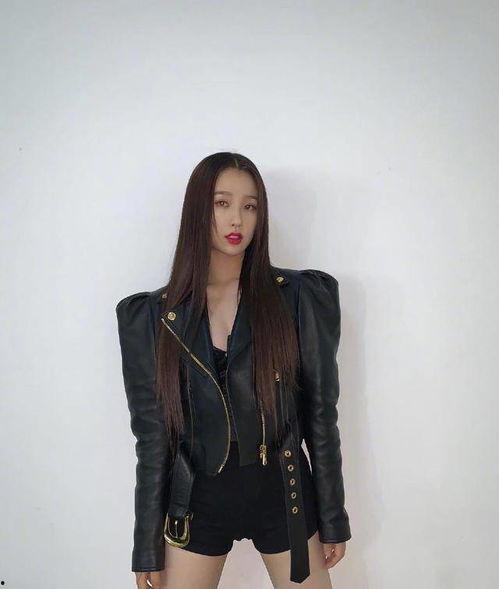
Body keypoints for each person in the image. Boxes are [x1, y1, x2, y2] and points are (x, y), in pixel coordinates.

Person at [116, 152, 351, 589]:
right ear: (198, 210)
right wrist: (146, 545)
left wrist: (333, 516)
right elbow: (152, 438)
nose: (237, 218)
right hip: (197, 500)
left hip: (285, 493)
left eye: (250, 205)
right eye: (222, 203)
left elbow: (321, 413)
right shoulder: (151, 317)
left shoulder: (299, 297)